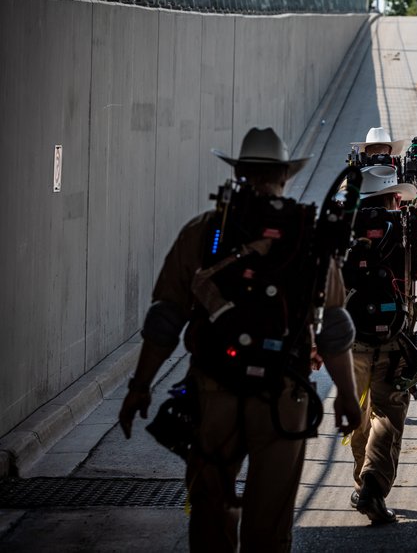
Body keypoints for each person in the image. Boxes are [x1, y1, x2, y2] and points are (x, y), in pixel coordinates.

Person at [118, 127, 362, 552]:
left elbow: (165, 318)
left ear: (240, 172)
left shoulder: (206, 231)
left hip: (214, 391)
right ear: (285, 175)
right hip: (284, 397)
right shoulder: (308, 235)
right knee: (269, 526)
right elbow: (335, 327)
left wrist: (140, 386)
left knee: (211, 512)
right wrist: (347, 395)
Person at [343, 165, 417, 525]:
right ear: (394, 198)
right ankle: (372, 484)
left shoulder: (345, 238)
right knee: (388, 414)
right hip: (397, 344)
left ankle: (363, 478)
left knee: (359, 415)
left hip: (351, 344)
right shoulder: (407, 238)